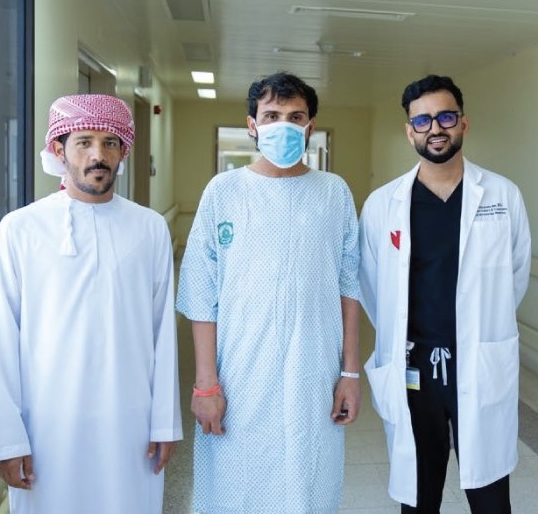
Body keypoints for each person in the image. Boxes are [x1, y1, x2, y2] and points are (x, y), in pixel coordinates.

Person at [0, 93, 182, 513]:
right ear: (59, 150)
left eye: (110, 143)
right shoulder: (19, 230)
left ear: (123, 151)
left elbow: (163, 333)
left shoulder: (149, 229)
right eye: (84, 142)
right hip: (46, 427)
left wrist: (165, 422)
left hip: (129, 424)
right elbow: (2, 342)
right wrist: (8, 439)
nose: (98, 155)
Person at [176, 71, 362, 514]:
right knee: (236, 486)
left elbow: (349, 286)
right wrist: (205, 385)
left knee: (308, 484)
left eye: (295, 117)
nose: (283, 125)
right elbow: (202, 294)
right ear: (252, 125)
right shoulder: (224, 192)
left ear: (310, 127)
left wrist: (350, 374)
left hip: (313, 373)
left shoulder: (333, 193)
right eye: (272, 115)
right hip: (240, 375)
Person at [359, 74, 531, 513]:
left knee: (491, 497)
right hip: (413, 368)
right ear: (409, 131)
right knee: (419, 496)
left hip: (479, 363)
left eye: (446, 117)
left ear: (464, 123)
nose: (435, 128)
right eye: (423, 121)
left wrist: (478, 328)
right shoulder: (383, 204)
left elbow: (515, 275)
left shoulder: (502, 195)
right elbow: (373, 286)